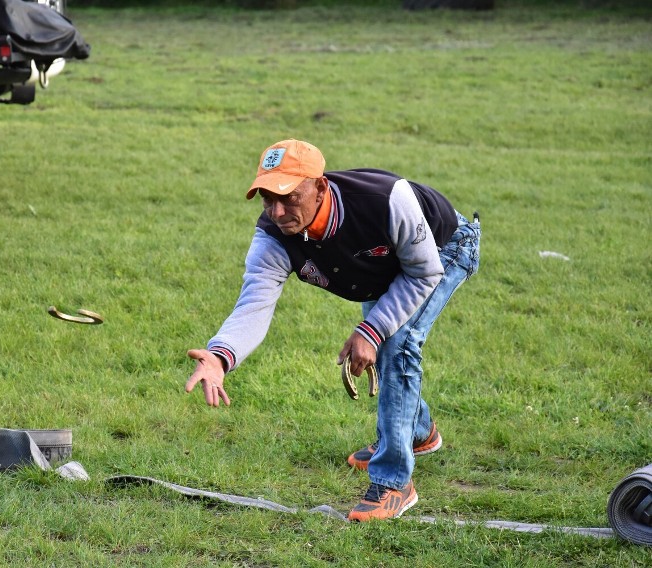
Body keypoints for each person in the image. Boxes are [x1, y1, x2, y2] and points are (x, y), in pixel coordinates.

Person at [185, 139, 481, 521]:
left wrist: (372, 330)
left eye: (288, 197)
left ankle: (393, 483)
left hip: (442, 249)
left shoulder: (385, 201)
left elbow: (423, 272)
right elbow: (254, 305)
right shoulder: (275, 236)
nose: (277, 211)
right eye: (266, 198)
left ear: (321, 187)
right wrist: (221, 355)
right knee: (387, 336)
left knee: (397, 342)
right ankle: (418, 432)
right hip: (387, 270)